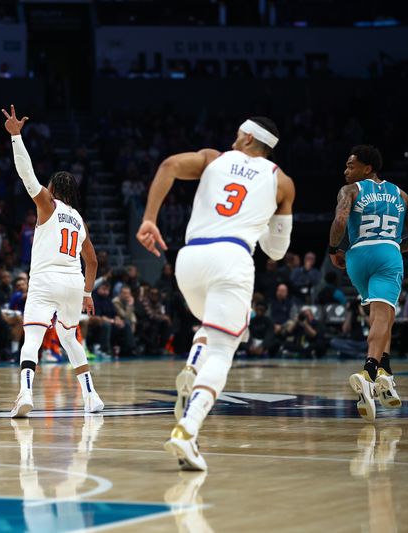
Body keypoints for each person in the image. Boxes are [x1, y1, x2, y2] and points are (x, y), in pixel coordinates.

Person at [137, 116, 295, 470]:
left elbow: (168, 166)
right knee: (225, 348)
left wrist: (149, 218)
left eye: (238, 135)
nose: (233, 140)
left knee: (211, 323)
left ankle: (193, 364)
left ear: (250, 137)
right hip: (232, 257)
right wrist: (263, 220)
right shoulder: (282, 182)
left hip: (189, 260)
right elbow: (277, 251)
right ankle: (188, 430)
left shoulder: (212, 157)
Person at [2, 105, 103, 417]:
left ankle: (25, 394)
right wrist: (88, 294)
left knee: (32, 335)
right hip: (74, 282)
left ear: (55, 189)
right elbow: (93, 261)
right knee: (69, 337)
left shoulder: (47, 204)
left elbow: (26, 174)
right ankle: (91, 396)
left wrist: (16, 137)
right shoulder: (79, 219)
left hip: (46, 279)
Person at [329, 145, 408, 421]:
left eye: (350, 165)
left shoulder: (350, 191)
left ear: (367, 168)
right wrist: (393, 247)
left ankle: (386, 372)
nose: (346, 171)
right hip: (387, 253)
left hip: (357, 257)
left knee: (385, 316)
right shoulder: (401, 194)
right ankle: (370, 370)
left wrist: (334, 249)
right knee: (382, 317)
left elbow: (340, 220)